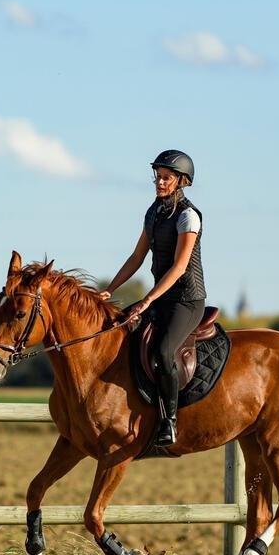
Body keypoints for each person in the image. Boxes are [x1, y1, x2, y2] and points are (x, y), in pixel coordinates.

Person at [98, 150, 206, 446]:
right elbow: (136, 257)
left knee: (162, 352)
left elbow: (179, 267)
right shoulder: (153, 213)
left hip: (186, 300)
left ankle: (168, 421)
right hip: (161, 298)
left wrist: (147, 299)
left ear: (181, 181)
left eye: (166, 178)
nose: (159, 182)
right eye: (157, 177)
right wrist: (112, 288)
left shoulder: (188, 216)